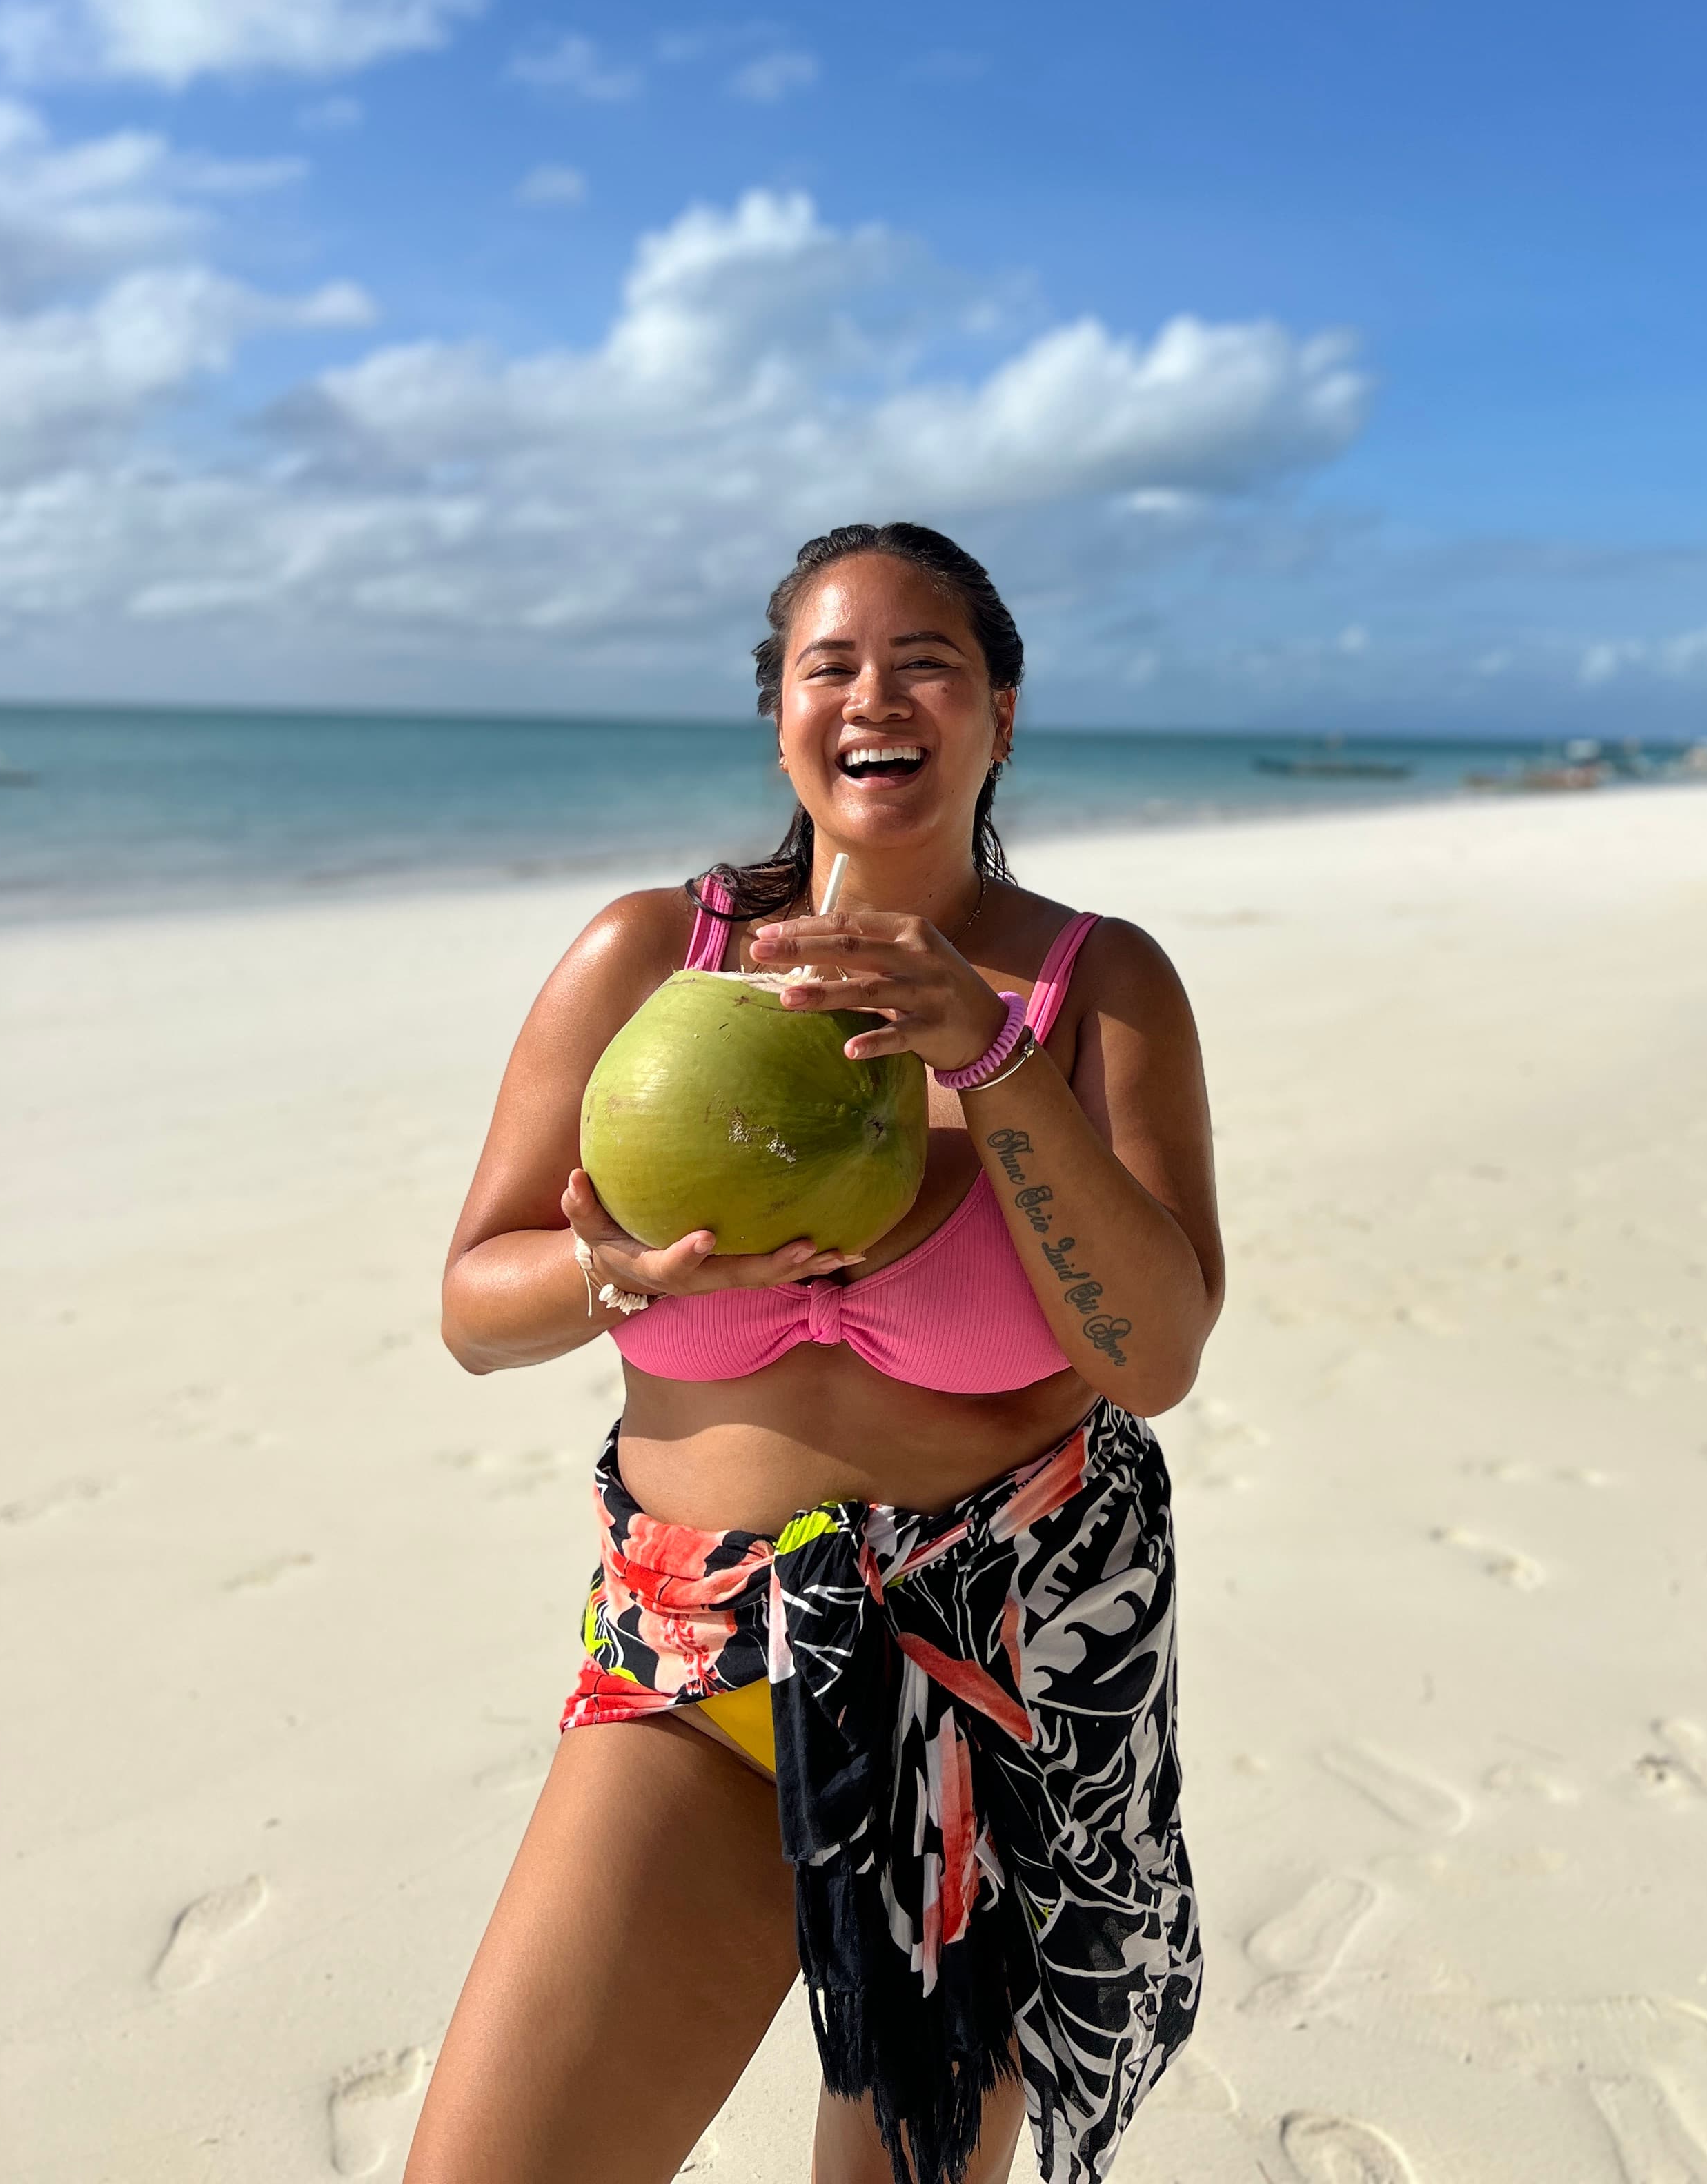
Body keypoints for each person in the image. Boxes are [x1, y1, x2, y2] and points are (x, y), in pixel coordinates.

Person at [407, 522, 1223, 2184]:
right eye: (829, 665)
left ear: (999, 709)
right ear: (780, 715)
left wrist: (994, 1065)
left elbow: (1149, 1353)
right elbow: (474, 1305)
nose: (877, 696)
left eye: (927, 662)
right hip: (698, 1643)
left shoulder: (1094, 989)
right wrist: (614, 1275)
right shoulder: (655, 957)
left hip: (990, 1665)